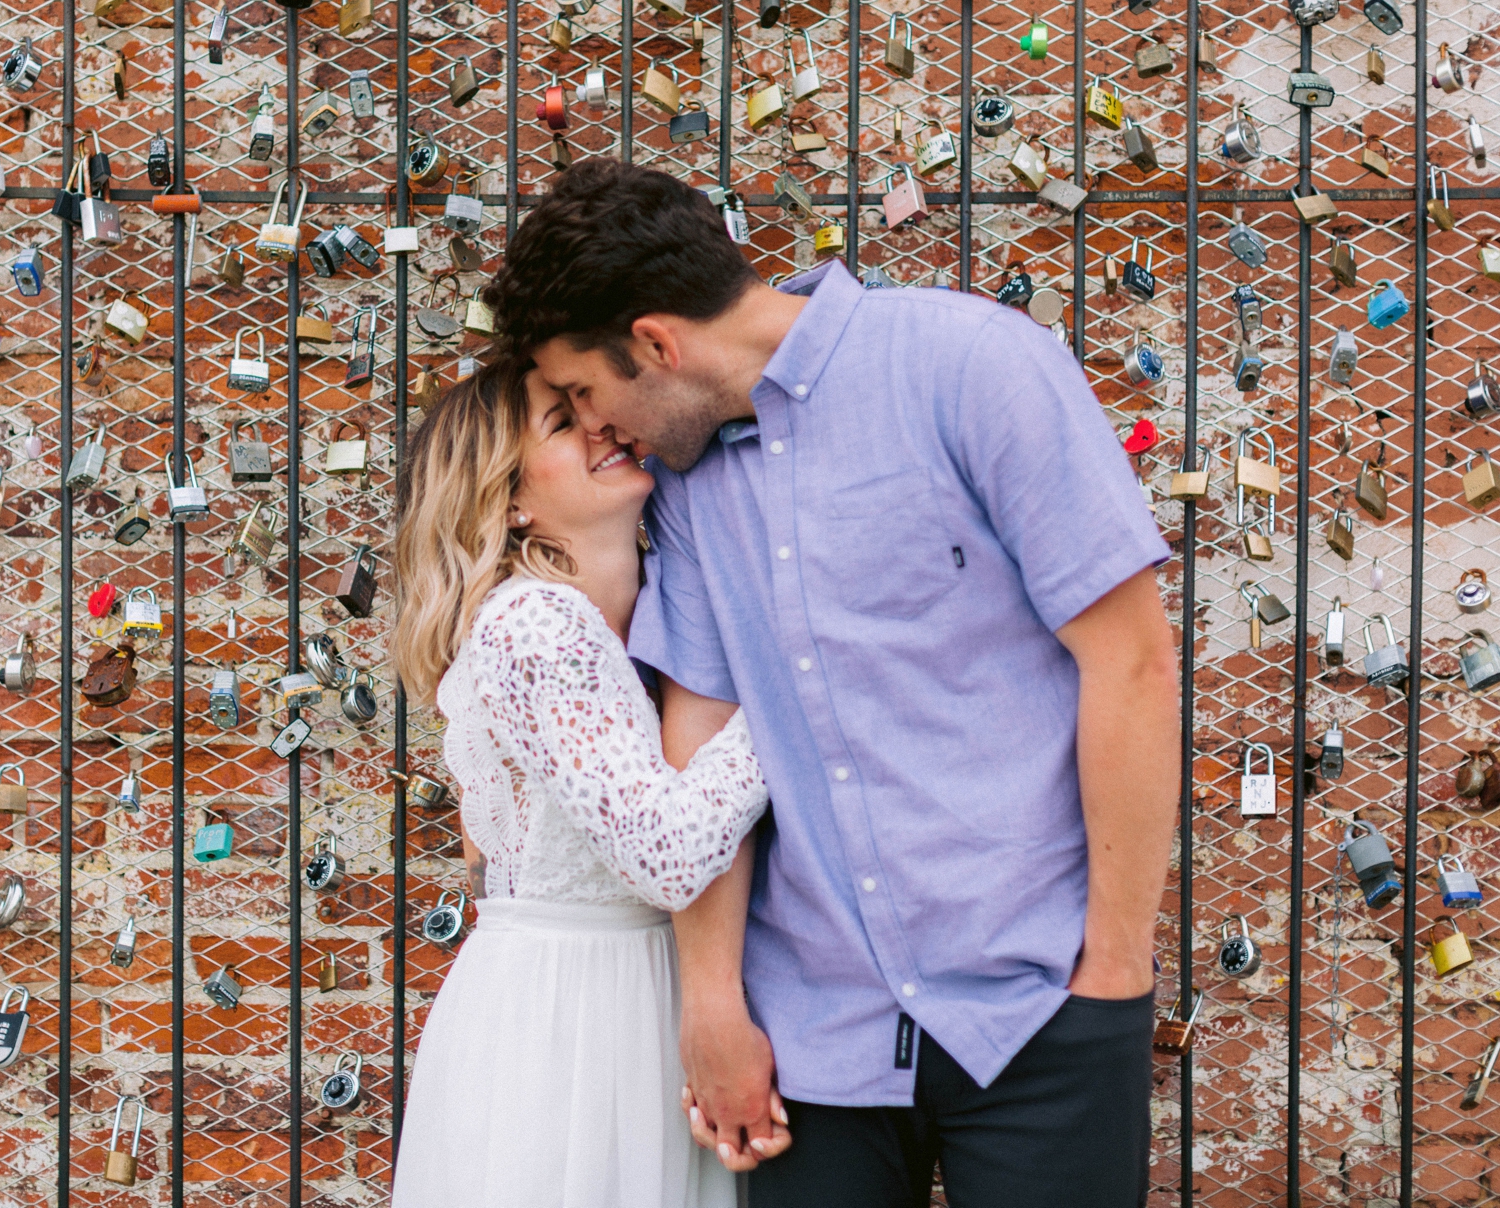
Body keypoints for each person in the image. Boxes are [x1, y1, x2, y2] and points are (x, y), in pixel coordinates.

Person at [482, 159, 1182, 1208]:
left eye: (586, 389)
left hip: (1039, 1001)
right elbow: (700, 729)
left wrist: (1115, 970)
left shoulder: (973, 367)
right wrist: (711, 1001)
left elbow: (1127, 659)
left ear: (656, 342)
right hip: (810, 1039)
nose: (596, 427)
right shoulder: (681, 482)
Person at [389, 356, 774, 1208]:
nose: (600, 423)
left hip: (625, 994)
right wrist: (796, 685)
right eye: (562, 423)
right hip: (569, 1023)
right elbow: (669, 855)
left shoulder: (634, 621)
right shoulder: (537, 625)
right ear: (509, 499)